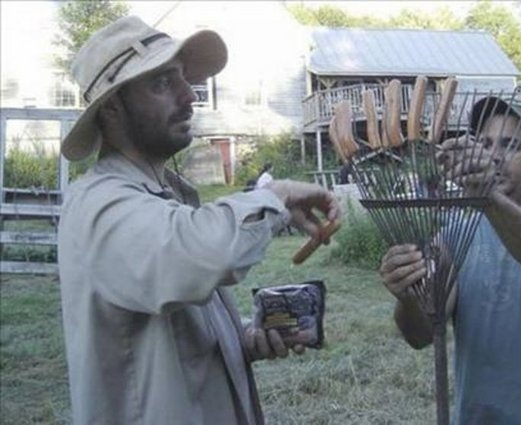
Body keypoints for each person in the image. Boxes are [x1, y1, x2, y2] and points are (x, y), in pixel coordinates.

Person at [57, 16, 340, 425]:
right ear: (113, 107)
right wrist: (272, 196)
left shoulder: (159, 197)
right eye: (162, 83)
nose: (190, 95)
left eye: (184, 79)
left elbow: (170, 323)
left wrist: (242, 338)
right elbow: (197, 256)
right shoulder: (98, 205)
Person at [379, 97, 521, 424]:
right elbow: (420, 334)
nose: (493, 156)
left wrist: (488, 197)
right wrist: (406, 295)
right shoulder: (456, 234)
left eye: (511, 146)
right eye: (485, 144)